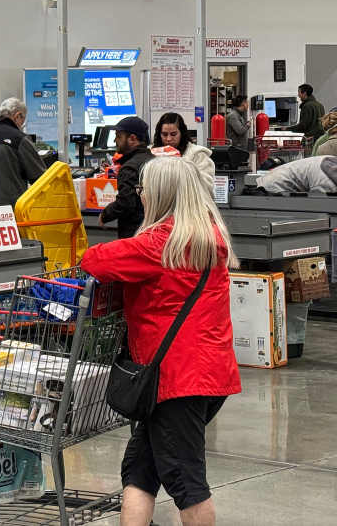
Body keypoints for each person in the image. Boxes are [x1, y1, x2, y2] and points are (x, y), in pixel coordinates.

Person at [82, 157, 241, 526]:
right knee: (140, 470)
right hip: (209, 373)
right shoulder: (210, 238)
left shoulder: (159, 244)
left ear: (159, 194)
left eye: (143, 189)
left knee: (186, 482)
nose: (140, 195)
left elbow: (94, 260)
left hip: (173, 380)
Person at [101, 116, 154, 239]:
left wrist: (105, 214)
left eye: (119, 136)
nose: (115, 140)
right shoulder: (154, 160)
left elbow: (125, 203)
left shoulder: (129, 168)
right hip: (152, 232)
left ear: (132, 138)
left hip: (133, 234)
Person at [153, 112, 214, 192]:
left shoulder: (197, 154)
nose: (169, 139)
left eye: (173, 134)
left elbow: (207, 185)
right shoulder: (152, 153)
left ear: (182, 133)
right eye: (164, 134)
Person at [255, 155, 337, 195]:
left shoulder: (330, 163)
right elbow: (321, 203)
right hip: (274, 186)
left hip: (275, 180)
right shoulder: (326, 181)